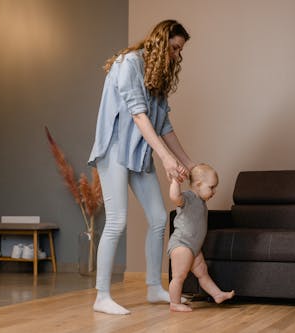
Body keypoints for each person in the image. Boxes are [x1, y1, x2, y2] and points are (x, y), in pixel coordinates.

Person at [88, 19, 195, 315]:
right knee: (117, 220)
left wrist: (189, 164)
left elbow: (164, 126)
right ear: (161, 41)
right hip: (114, 150)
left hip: (138, 153)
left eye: (180, 50)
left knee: (160, 218)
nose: (177, 55)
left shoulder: (157, 75)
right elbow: (138, 115)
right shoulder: (128, 64)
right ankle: (102, 295)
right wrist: (165, 158)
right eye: (174, 47)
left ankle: (152, 287)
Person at [167, 164, 235, 312]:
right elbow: (175, 197)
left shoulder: (201, 202)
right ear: (198, 185)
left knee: (203, 273)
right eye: (211, 187)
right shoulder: (190, 197)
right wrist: (175, 182)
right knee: (179, 276)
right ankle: (174, 303)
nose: (214, 191)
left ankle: (217, 294)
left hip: (194, 248)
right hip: (182, 244)